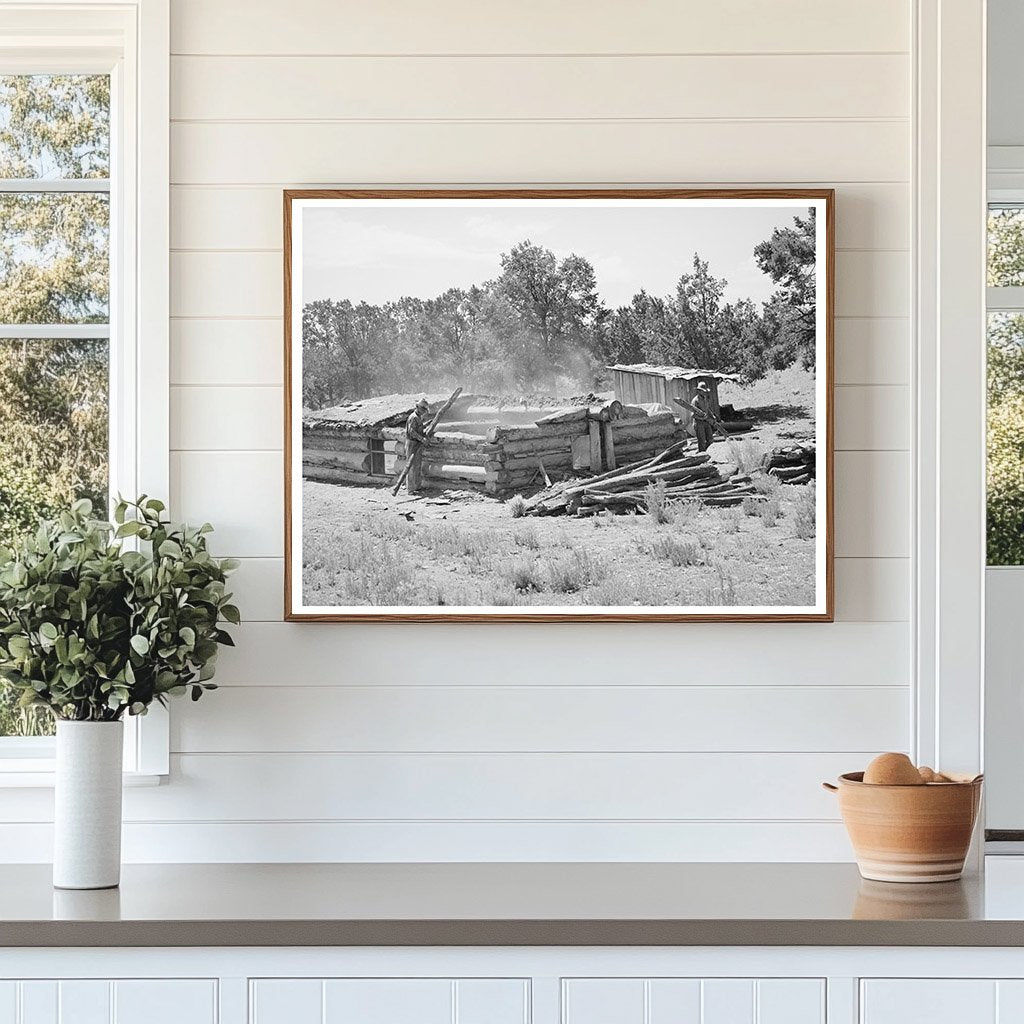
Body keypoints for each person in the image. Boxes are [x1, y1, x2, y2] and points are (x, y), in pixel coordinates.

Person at [404, 397, 431, 493]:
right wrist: (422, 439)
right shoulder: (413, 417)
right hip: (412, 443)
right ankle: (411, 488)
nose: (424, 411)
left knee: (417, 464)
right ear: (418, 407)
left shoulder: (418, 417)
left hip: (416, 442)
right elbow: (412, 432)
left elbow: (418, 428)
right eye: (423, 409)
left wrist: (427, 424)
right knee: (411, 466)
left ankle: (417, 486)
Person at [691, 380, 715, 453]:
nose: (704, 392)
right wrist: (701, 418)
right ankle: (702, 455)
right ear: (699, 391)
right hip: (699, 423)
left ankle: (705, 452)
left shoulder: (705, 399)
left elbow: (707, 409)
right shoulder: (695, 401)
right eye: (703, 391)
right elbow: (693, 415)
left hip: (706, 421)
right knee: (702, 441)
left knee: (710, 439)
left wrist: (712, 416)